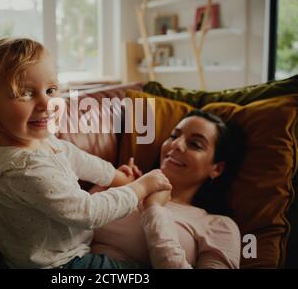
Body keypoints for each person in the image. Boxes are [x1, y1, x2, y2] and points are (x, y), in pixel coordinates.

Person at [0, 37, 172, 269]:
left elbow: (80, 160)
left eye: (51, 90)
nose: (46, 103)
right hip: (60, 265)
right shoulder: (24, 169)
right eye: (25, 93)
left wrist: (118, 178)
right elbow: (88, 212)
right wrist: (140, 188)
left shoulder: (39, 141)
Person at [91, 110, 245, 269]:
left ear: (217, 169)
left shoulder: (218, 226)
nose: (176, 144)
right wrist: (108, 184)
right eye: (173, 136)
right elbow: (71, 226)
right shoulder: (128, 192)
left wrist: (154, 209)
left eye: (195, 144)